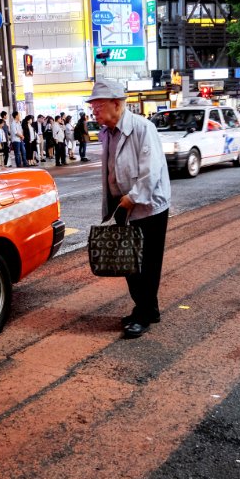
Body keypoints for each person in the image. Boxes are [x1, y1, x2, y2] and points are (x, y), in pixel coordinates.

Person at [87, 78, 171, 339]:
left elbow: (151, 171)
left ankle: (143, 314)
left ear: (116, 103)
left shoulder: (142, 128)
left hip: (148, 206)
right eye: (92, 106)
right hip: (122, 206)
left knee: (146, 263)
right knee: (129, 261)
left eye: (98, 105)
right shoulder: (106, 133)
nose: (94, 110)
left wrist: (132, 197)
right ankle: (149, 308)